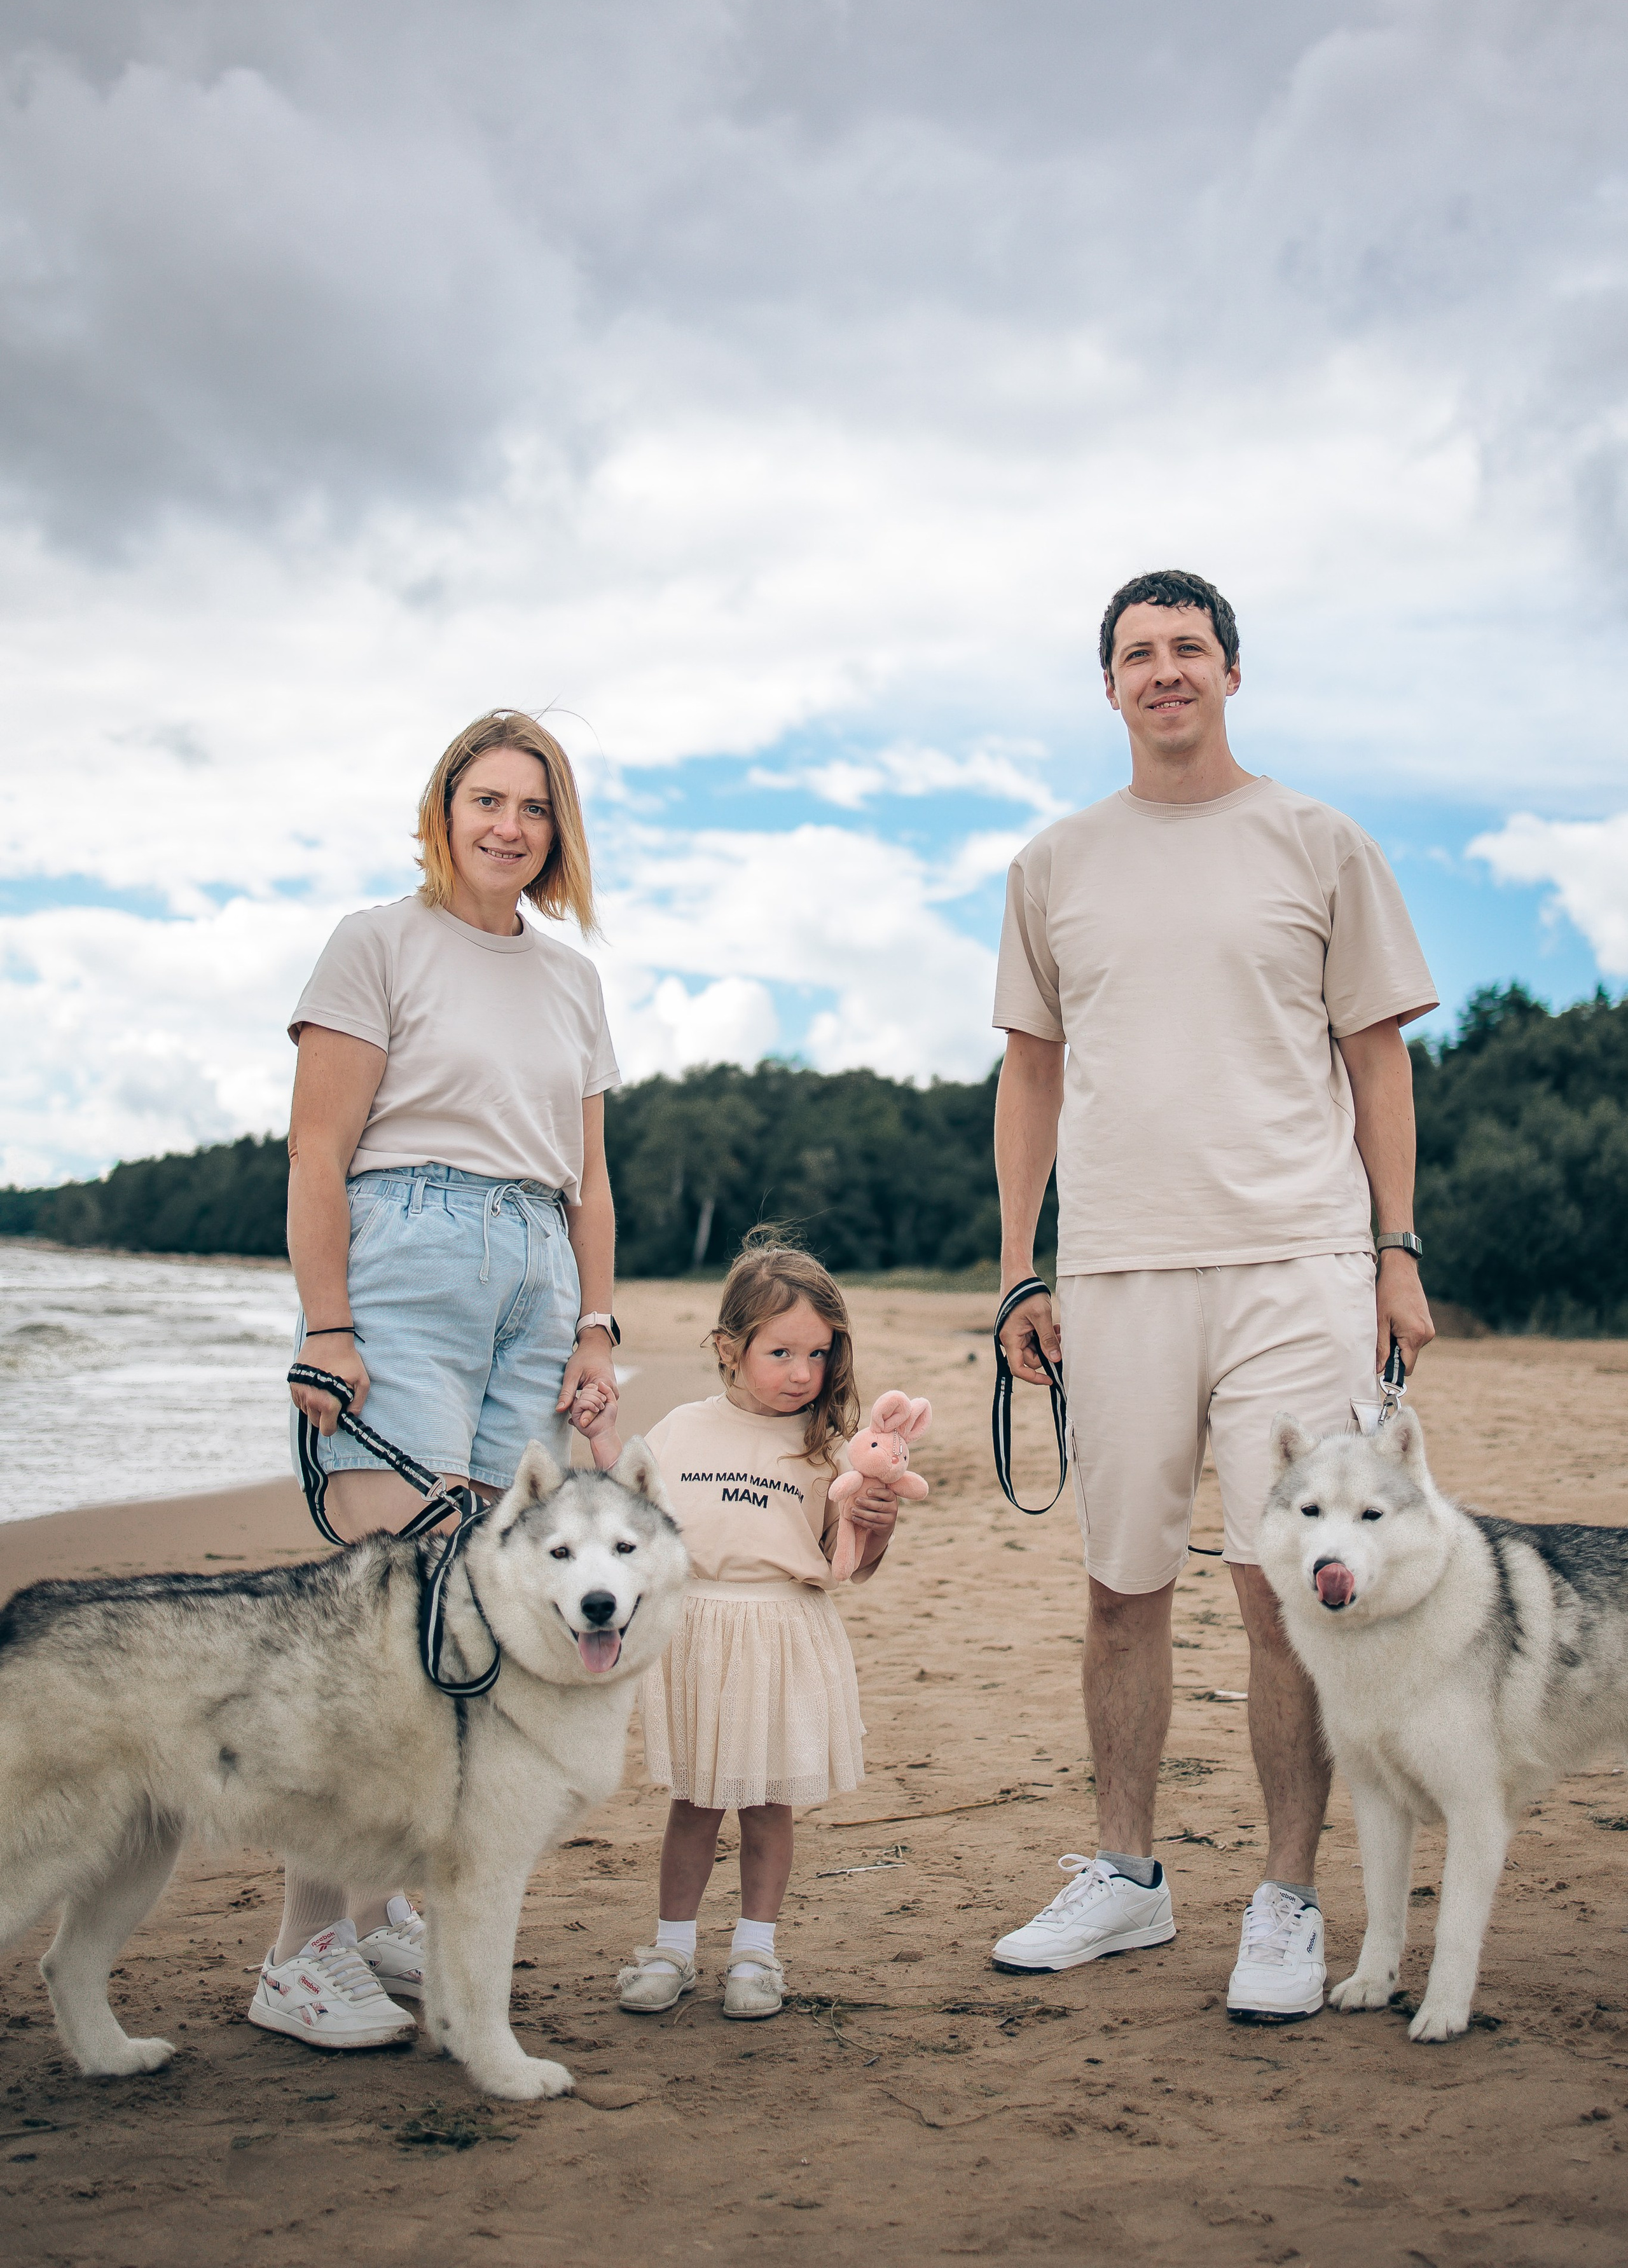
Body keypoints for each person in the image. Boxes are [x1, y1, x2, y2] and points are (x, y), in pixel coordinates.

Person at [989, 569, 1437, 2023]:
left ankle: (1286, 1900)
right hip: (1113, 1266)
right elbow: (1030, 1073)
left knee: (1279, 1594)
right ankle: (1123, 1874)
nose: (1162, 669)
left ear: (1229, 673)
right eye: (1136, 652)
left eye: (1187, 647)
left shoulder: (1315, 841)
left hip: (1293, 1262)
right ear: (1107, 685)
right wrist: (1018, 1267)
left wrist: (1396, 1248)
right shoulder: (1052, 863)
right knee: (1119, 1590)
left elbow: (1375, 1058)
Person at [249, 710, 622, 2052]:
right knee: (383, 1630)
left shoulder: (572, 980)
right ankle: (299, 1955)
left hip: (536, 1271)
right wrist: (327, 1325)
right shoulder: (375, 943)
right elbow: (315, 1150)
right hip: (404, 1259)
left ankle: (375, 1907)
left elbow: (590, 1180)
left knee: (469, 1626)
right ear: (442, 808)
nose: (507, 826)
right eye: (486, 799)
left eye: (533, 806)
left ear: (554, 830)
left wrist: (594, 1332)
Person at [571, 1234, 909, 2021]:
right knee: (693, 1803)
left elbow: (849, 1564)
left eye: (819, 1354)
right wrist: (600, 1439)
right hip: (698, 1635)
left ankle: (755, 1954)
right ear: (729, 1349)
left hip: (784, 1634)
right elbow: (632, 1513)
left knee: (766, 1806)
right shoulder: (685, 1428)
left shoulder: (830, 1448)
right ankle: (672, 1950)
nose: (802, 1373)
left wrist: (877, 1521)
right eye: (781, 1352)